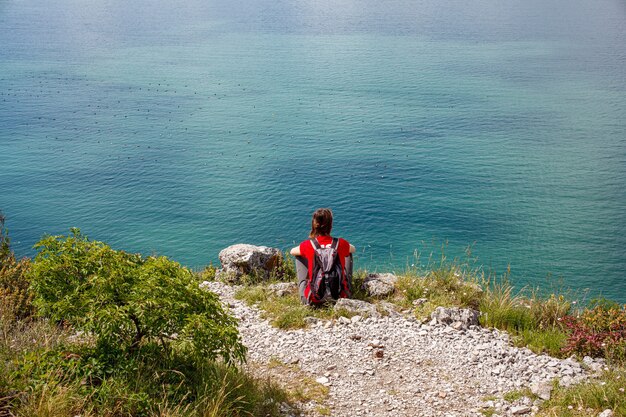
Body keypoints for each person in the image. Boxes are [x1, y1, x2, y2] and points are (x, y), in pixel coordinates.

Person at [290, 208, 356, 305]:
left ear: (314, 225)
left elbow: (292, 251)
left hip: (313, 300)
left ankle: (305, 285)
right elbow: (353, 249)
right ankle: (346, 285)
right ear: (330, 226)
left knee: (299, 256)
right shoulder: (340, 243)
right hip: (340, 297)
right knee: (348, 253)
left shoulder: (308, 245)